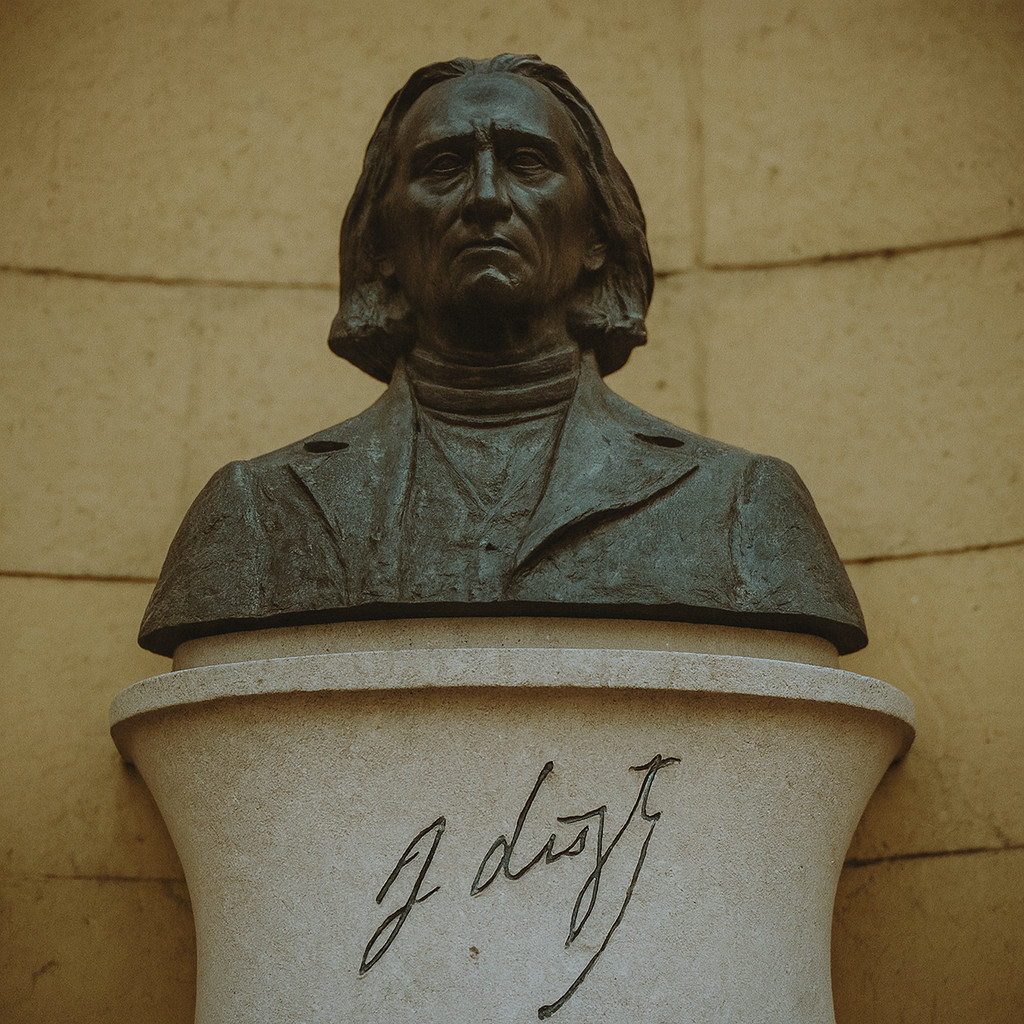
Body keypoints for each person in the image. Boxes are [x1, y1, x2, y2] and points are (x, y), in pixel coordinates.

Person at [139, 54, 866, 657]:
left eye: (526, 163)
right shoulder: (257, 513)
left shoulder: (741, 506)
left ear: (597, 236)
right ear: (382, 246)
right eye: (444, 166)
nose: (486, 198)